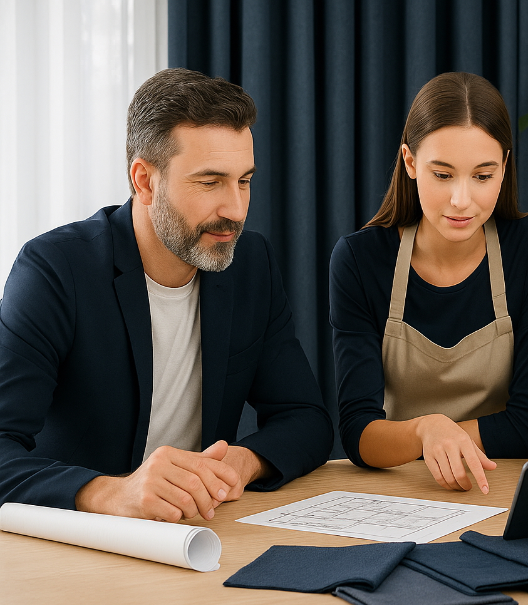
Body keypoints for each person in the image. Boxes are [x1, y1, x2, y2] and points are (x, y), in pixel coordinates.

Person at [0, 68, 334, 523]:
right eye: (210, 182)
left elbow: (306, 419)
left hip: (198, 533)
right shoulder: (54, 270)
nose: (235, 210)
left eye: (244, 180)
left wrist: (244, 461)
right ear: (144, 181)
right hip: (80, 541)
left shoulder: (249, 263)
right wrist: (111, 493)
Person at [330, 72, 528, 494]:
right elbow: (358, 432)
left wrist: (426, 438)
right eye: (442, 175)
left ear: (505, 167)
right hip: (399, 492)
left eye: (482, 176)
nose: (462, 200)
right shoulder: (360, 260)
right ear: (409, 162)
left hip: (499, 484)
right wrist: (426, 431)